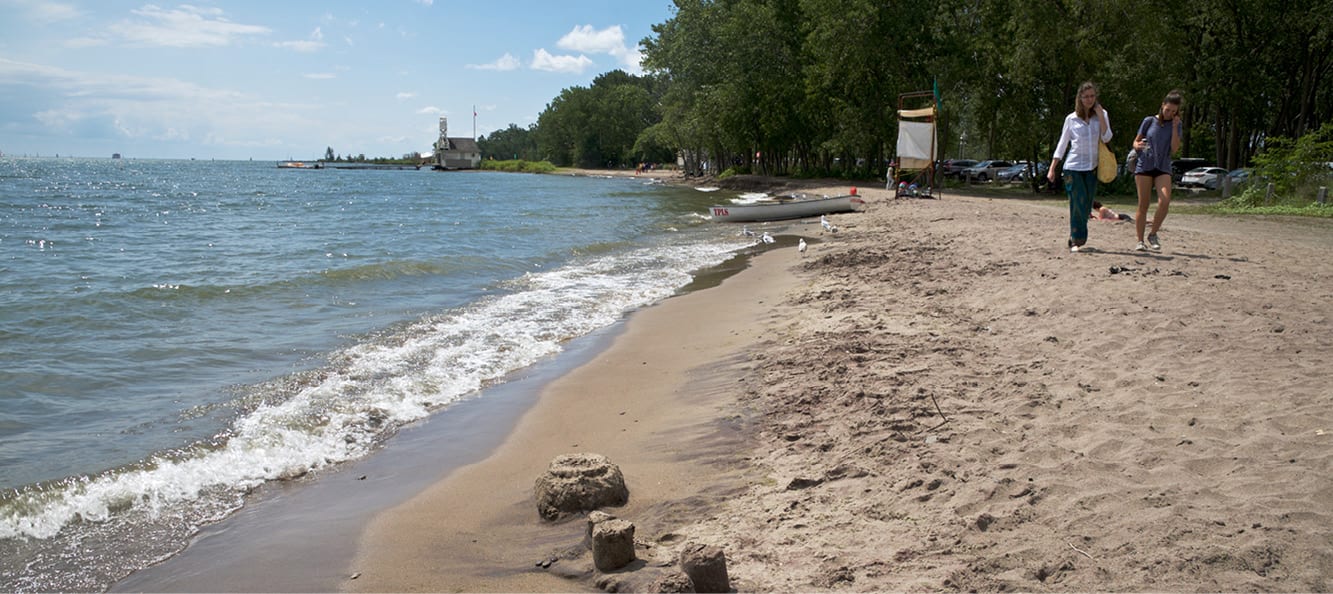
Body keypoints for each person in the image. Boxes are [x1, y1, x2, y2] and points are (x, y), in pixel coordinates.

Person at [1048, 81, 1113, 253]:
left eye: (1092, 96)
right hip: (1073, 167)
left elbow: (1107, 138)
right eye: (1086, 97)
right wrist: (1052, 167)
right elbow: (1063, 144)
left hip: (1092, 167)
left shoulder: (1101, 114)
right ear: (1080, 98)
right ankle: (1077, 240)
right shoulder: (1071, 119)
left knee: (1086, 205)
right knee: (1077, 203)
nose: (1089, 100)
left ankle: (1075, 236)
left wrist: (1100, 115)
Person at [1131, 90, 1184, 251]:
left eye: (1173, 111)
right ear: (1162, 106)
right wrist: (1136, 145)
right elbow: (1136, 141)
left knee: (1165, 201)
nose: (1169, 113)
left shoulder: (1177, 124)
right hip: (1144, 165)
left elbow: (1174, 149)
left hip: (1163, 166)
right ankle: (1140, 241)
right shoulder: (1149, 121)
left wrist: (1174, 127)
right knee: (1143, 204)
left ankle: (1153, 233)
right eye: (1168, 110)